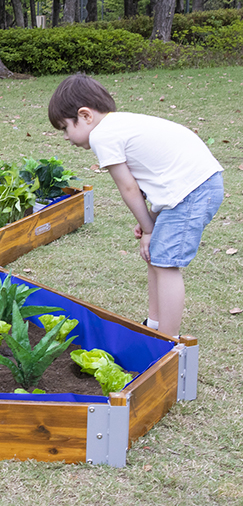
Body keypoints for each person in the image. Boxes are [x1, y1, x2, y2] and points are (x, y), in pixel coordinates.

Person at [48, 73, 223, 339]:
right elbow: (157, 179)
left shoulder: (102, 135)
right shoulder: (118, 124)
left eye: (65, 128)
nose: (66, 137)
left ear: (85, 116)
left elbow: (128, 187)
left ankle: (167, 342)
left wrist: (148, 228)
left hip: (193, 190)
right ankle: (153, 325)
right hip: (191, 186)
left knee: (165, 263)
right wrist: (150, 220)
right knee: (156, 255)